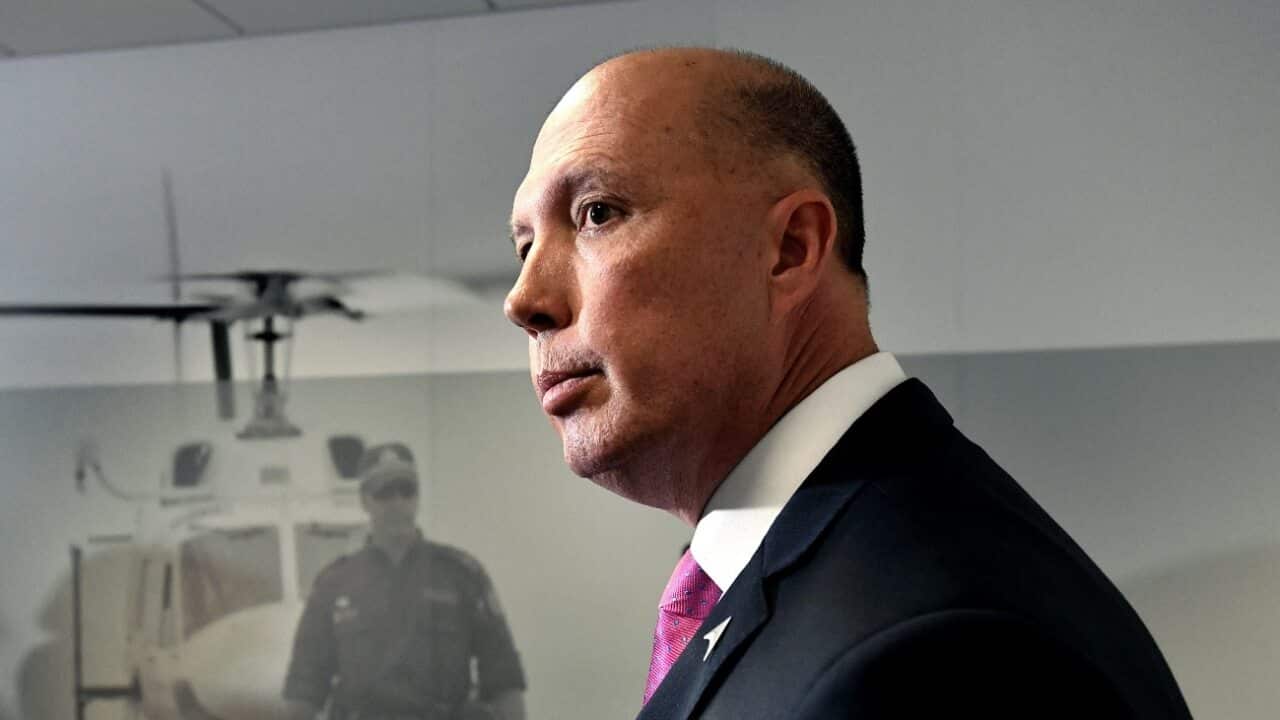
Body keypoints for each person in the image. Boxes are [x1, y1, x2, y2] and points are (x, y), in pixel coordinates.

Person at [504, 47, 1192, 719]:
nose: (524, 299)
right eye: (525, 243)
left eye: (597, 213)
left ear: (791, 249)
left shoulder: (935, 650)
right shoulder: (829, 564)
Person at [283, 443, 526, 720]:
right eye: (384, 493)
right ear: (365, 500)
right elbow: (304, 685)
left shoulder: (461, 575)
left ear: (417, 498)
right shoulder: (334, 584)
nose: (397, 503)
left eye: (406, 490)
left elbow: (503, 676)